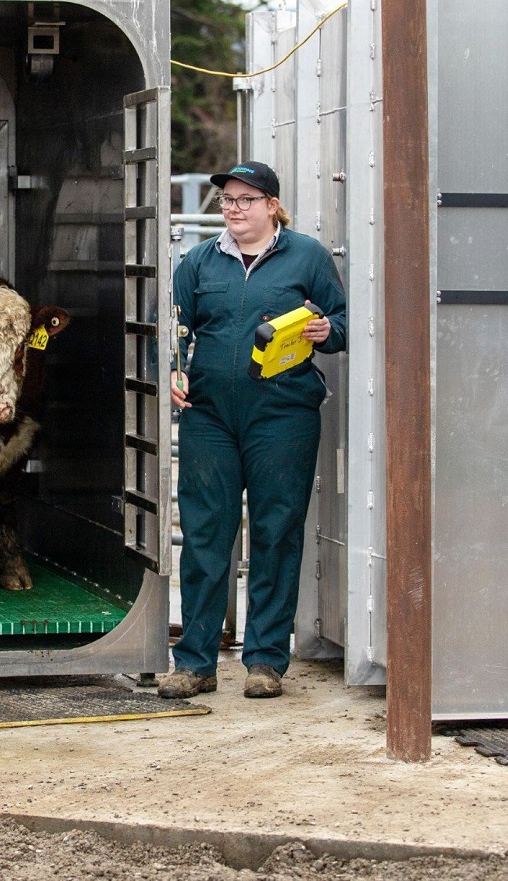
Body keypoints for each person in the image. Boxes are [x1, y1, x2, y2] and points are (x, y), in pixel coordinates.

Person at [160, 161, 347, 700]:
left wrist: (325, 329)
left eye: (246, 199)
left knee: (275, 532)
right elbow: (174, 328)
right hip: (210, 415)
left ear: (272, 206)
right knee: (204, 534)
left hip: (283, 416)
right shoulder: (198, 262)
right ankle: (194, 663)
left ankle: (264, 661)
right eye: (227, 200)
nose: (234, 208)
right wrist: (170, 368)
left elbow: (342, 323)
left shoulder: (307, 257)